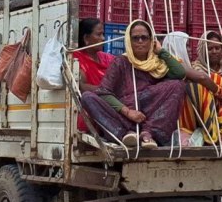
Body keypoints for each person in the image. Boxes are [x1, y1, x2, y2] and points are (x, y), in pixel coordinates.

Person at [80, 20, 186, 149]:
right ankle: (126, 134)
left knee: (177, 85)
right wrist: (128, 112)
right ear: (129, 41)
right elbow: (104, 92)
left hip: (148, 114)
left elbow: (180, 73)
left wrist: (161, 51)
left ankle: (148, 133)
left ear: (151, 41)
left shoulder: (157, 64)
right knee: (88, 97)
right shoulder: (120, 62)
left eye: (144, 38)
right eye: (135, 38)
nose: (140, 41)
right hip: (124, 114)